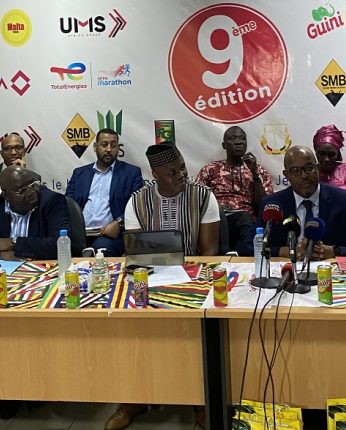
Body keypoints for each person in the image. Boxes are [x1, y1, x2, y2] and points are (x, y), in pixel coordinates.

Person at [109, 142, 218, 430]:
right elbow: (137, 253)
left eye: (182, 167)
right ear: (155, 175)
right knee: (132, 330)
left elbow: (209, 253)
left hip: (193, 279)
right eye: (172, 172)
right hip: (151, 278)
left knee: (196, 334)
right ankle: (134, 398)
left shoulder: (203, 196)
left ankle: (200, 401)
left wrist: (186, 279)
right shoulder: (137, 201)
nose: (181, 174)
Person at [254, 145, 346, 260]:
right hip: (288, 271)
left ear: (317, 168)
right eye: (295, 171)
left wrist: (335, 251)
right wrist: (283, 251)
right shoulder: (272, 205)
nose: (304, 176)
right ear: (287, 175)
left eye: (309, 168)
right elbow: (247, 246)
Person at [66, 128, 143, 256]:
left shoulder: (131, 173)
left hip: (110, 235)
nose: (109, 149)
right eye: (104, 144)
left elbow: (138, 206)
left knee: (100, 250)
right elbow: (68, 204)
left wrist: (119, 223)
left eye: (113, 145)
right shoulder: (79, 173)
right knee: (60, 246)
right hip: (80, 233)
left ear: (118, 148)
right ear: (95, 147)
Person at [196, 126, 273, 252]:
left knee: (243, 219)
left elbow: (265, 207)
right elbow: (197, 200)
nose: (238, 142)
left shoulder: (259, 170)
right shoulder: (210, 169)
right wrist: (216, 208)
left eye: (242, 138)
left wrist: (254, 174)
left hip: (245, 222)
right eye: (232, 138)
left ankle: (249, 252)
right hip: (217, 218)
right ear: (224, 145)